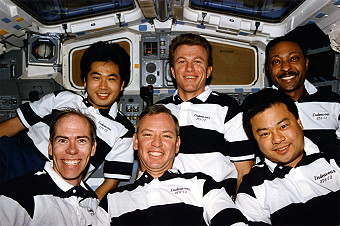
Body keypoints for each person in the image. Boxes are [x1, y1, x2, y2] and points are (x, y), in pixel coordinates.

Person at [0, 41, 135, 199]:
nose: (103, 87)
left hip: (59, 182)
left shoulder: (124, 130)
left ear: (122, 85)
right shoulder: (62, 98)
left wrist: (88, 208)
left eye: (111, 79)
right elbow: (14, 125)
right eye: (96, 77)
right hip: (19, 156)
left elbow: (112, 181)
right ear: (85, 81)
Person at [96, 105, 248, 225]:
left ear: (177, 145)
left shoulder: (202, 186)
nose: (157, 143)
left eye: (166, 136)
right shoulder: (112, 201)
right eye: (148, 134)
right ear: (135, 142)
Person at [156, 33, 255, 194]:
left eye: (197, 61)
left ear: (208, 71)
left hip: (215, 201)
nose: (189, 68)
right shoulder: (159, 109)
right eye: (182, 62)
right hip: (167, 200)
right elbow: (145, 165)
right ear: (173, 71)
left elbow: (244, 170)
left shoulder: (228, 108)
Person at [235, 88, 340, 225]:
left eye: (283, 126)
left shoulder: (334, 158)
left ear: (299, 122)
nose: (277, 139)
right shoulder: (251, 191)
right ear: (254, 139)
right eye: (265, 134)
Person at [0, 109, 101, 225]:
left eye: (81, 140)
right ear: (50, 147)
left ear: (93, 148)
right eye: (63, 140)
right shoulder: (17, 195)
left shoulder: (92, 200)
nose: (72, 150)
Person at [265, 35, 340, 154]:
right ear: (268, 68)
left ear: (306, 63)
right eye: (276, 61)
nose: (285, 68)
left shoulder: (334, 102)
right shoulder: (257, 106)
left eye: (294, 59)